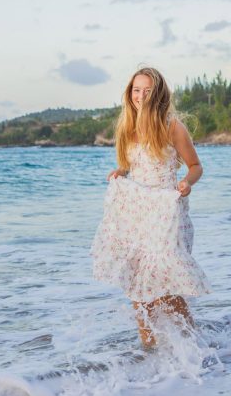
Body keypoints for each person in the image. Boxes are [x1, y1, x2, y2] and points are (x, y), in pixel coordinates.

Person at [90, 67, 212, 348]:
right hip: (138, 211)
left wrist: (187, 183)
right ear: (129, 93)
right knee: (136, 284)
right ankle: (150, 349)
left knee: (165, 285)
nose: (140, 96)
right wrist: (120, 171)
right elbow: (133, 163)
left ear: (158, 94)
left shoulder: (172, 127)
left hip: (167, 210)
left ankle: (193, 344)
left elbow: (196, 166)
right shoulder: (127, 127)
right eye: (136, 90)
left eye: (147, 90)